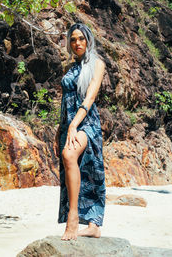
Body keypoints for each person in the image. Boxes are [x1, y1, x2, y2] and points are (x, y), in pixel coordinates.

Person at [53, 23, 106, 241]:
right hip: (69, 124)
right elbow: (65, 102)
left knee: (70, 155)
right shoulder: (70, 69)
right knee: (78, 169)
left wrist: (74, 125)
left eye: (81, 38)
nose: (77, 43)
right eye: (73, 39)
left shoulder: (97, 64)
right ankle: (93, 225)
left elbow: (90, 98)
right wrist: (60, 131)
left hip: (86, 123)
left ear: (88, 40)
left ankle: (72, 219)